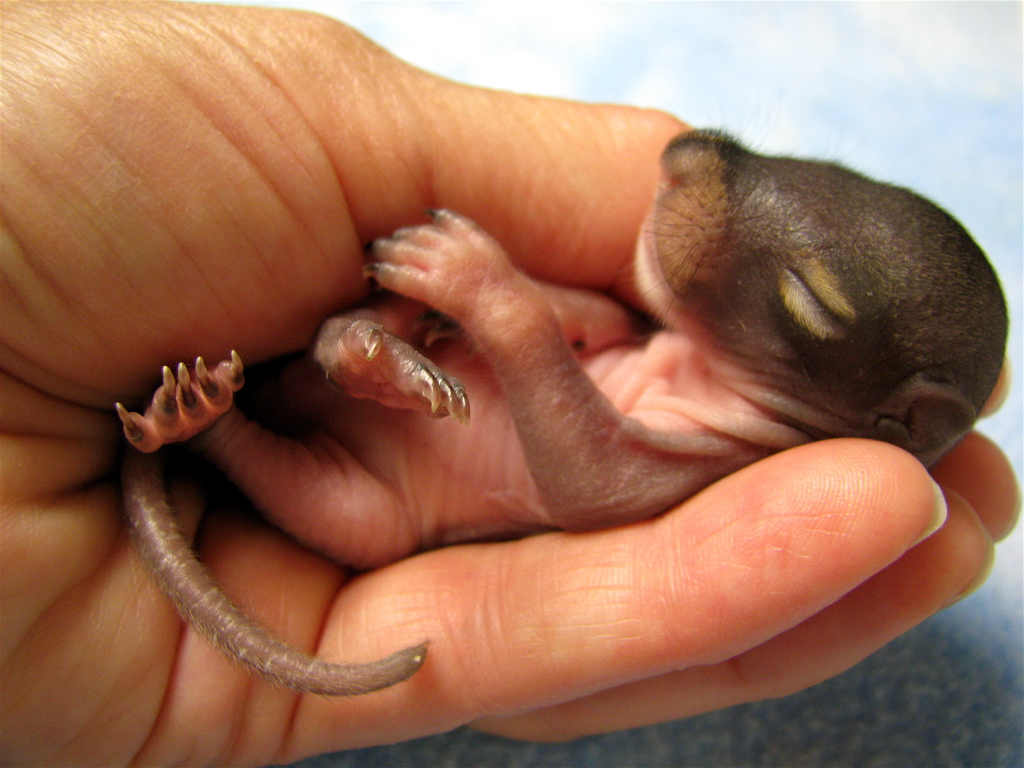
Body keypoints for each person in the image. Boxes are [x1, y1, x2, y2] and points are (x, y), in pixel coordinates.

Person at [0, 3, 1017, 765]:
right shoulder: (666, 342)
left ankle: (212, 432)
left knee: (365, 524)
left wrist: (508, 311)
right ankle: (342, 358)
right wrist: (495, 312)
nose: (690, 171)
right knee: (426, 326)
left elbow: (590, 481)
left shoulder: (743, 458)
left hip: (390, 486)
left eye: (808, 299)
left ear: (902, 418)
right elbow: (561, 337)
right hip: (371, 363)